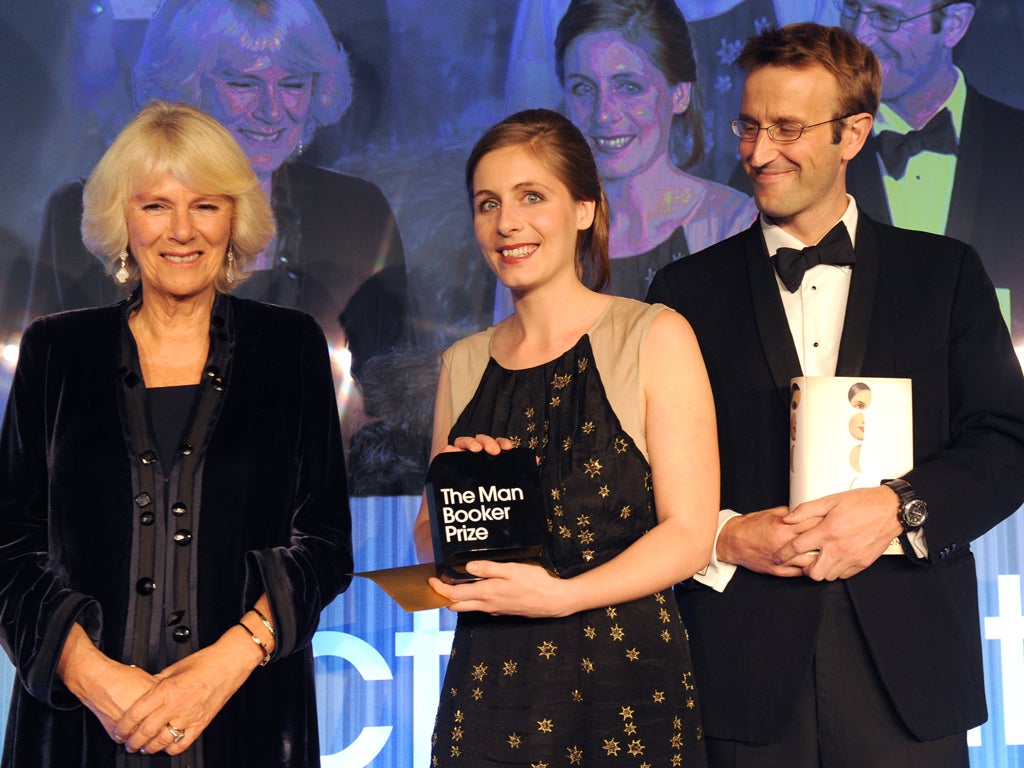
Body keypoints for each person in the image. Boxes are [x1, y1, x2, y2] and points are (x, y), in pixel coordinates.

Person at [646, 23, 1024, 767]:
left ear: (854, 133)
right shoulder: (684, 292)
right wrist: (723, 536)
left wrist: (898, 507)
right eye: (749, 127)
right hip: (742, 668)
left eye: (788, 128)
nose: (758, 152)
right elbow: (644, 464)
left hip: (908, 668)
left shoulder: (943, 275)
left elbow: (1007, 443)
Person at [0, 100, 353, 766]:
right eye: (156, 205)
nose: (181, 231)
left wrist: (224, 665)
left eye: (206, 205)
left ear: (235, 216)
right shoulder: (56, 352)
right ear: (121, 219)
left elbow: (327, 543)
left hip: (245, 722)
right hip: (81, 733)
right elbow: (9, 543)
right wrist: (96, 680)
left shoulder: (289, 349)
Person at [415, 108, 718, 766]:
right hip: (490, 691)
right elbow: (429, 545)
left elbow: (691, 534)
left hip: (625, 689)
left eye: (532, 196)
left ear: (585, 208)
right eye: (487, 204)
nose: (507, 223)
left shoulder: (653, 336)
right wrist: (460, 499)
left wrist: (562, 597)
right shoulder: (462, 364)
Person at [32, 0, 410, 384]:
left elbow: (389, 395)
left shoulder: (359, 214)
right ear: (185, 87)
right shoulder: (93, 210)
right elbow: (50, 397)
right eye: (243, 84)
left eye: (293, 84)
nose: (273, 111)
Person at [492, 0, 757, 321]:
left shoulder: (732, 224)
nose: (604, 113)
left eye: (629, 86)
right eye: (583, 88)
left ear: (679, 94)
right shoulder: (537, 232)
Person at [836, 0, 1024, 345]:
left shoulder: (1016, 146)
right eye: (851, 8)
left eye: (886, 16)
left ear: (954, 24)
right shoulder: (810, 151)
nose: (859, 34)